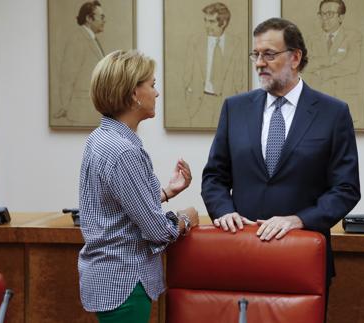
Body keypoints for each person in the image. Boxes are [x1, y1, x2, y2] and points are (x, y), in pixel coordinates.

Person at [202, 17, 360, 282]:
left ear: (295, 57)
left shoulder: (333, 113)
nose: (260, 63)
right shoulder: (235, 108)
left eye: (269, 55)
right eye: (256, 55)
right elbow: (214, 176)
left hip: (302, 256)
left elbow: (345, 189)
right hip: (240, 252)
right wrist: (223, 210)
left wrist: (299, 219)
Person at [78, 50, 199, 323]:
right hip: (124, 283)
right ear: (134, 94)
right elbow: (158, 231)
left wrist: (167, 192)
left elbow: (121, 206)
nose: (157, 93)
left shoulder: (101, 138)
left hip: (107, 279)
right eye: (152, 85)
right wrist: (186, 218)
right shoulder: (124, 151)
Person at [183, 2, 246, 128]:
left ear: (223, 23)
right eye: (205, 20)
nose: (206, 25)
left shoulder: (236, 44)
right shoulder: (195, 42)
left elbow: (239, 80)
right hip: (200, 104)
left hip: (227, 105)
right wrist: (189, 103)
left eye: (211, 21)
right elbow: (186, 77)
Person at [303, 0, 363, 125]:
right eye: (322, 14)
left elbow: (352, 65)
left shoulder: (353, 36)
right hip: (319, 103)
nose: (324, 18)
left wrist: (324, 72)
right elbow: (305, 66)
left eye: (329, 14)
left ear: (341, 17)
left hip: (345, 99)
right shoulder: (312, 40)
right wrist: (330, 59)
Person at [55, 0, 107, 126]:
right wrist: (65, 106)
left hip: (91, 110)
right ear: (89, 18)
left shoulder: (91, 39)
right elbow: (67, 76)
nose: (104, 20)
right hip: (81, 111)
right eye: (101, 17)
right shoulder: (77, 39)